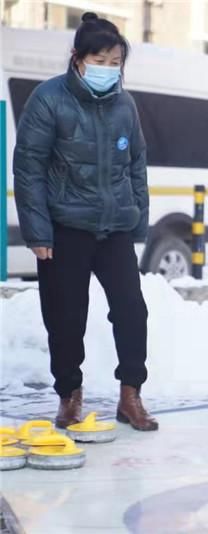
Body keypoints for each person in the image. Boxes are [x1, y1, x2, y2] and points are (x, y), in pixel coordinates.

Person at [13, 13, 157, 431]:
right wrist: (38, 232)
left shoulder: (124, 104)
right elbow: (29, 168)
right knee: (65, 316)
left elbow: (136, 166)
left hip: (113, 229)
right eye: (101, 60)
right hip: (64, 229)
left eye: (115, 63)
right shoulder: (48, 99)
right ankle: (69, 395)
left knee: (132, 310)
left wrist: (138, 224)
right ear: (78, 58)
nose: (108, 70)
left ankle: (131, 396)